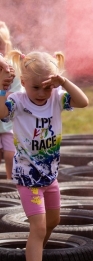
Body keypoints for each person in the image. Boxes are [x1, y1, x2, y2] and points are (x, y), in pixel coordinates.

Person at [0, 50, 89, 261]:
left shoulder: (57, 98)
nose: (41, 93)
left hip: (50, 176)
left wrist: (64, 83)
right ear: (24, 82)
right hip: (28, 178)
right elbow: (1, 114)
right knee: (38, 228)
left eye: (46, 88)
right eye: (36, 87)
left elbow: (83, 102)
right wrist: (0, 90)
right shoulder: (17, 101)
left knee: (53, 222)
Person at [0, 21, 22, 179]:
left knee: (10, 154)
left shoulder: (11, 69)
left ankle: (10, 180)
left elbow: (16, 91)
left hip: (6, 123)